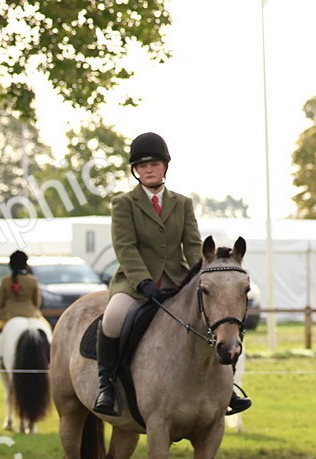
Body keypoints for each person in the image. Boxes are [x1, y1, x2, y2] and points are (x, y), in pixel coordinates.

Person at [95, 132, 251, 416]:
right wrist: (143, 281)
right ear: (135, 171)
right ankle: (106, 383)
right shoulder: (123, 203)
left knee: (216, 319)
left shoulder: (182, 203)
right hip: (134, 283)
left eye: (154, 163)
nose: (148, 169)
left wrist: (203, 275)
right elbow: (125, 247)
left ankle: (226, 388)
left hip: (179, 280)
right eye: (142, 166)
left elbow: (194, 246)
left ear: (165, 166)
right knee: (113, 319)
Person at [0, 250, 43, 369]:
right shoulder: (33, 280)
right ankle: (50, 359)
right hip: (31, 314)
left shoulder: (6, 280)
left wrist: (3, 310)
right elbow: (37, 302)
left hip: (8, 315)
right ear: (25, 263)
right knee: (48, 330)